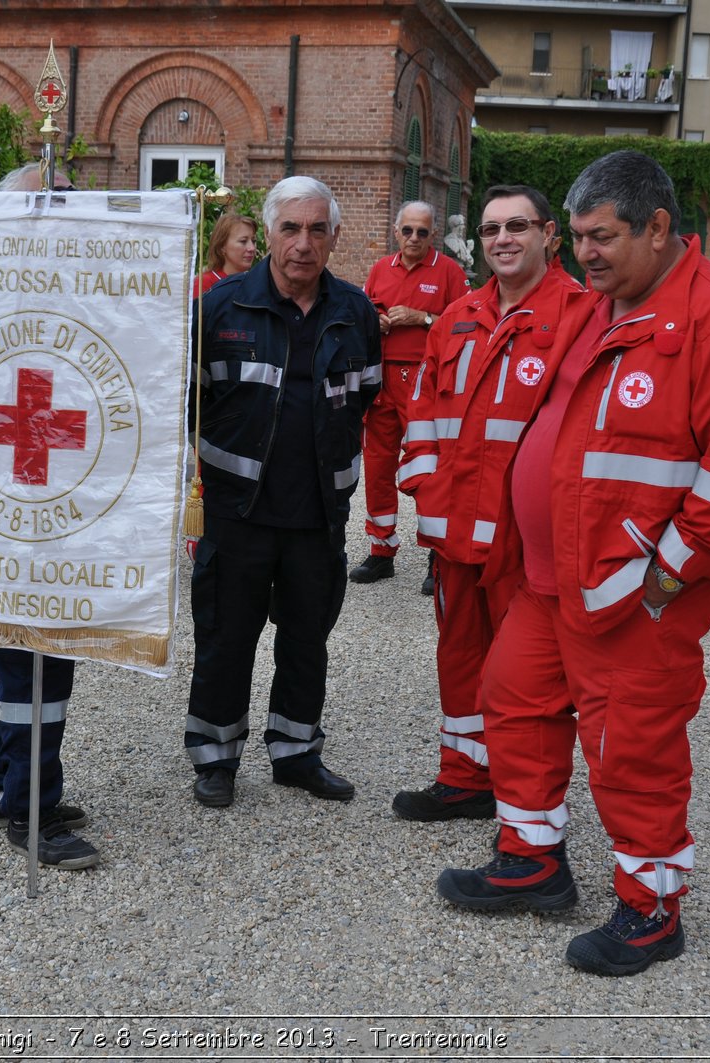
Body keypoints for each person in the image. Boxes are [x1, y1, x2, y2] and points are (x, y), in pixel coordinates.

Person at [434, 150, 710, 976]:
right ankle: (532, 859)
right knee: (512, 700)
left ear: (658, 228)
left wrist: (666, 573)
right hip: (553, 579)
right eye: (581, 237)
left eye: (603, 237)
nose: (585, 253)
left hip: (634, 592)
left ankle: (651, 907)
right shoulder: (606, 303)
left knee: (633, 748)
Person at [184, 175, 382, 808]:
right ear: (268, 233)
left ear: (334, 237)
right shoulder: (221, 307)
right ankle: (215, 757)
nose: (303, 243)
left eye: (316, 229)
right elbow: (187, 401)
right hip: (236, 510)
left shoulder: (355, 313)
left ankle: (296, 752)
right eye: (290, 228)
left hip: (320, 510)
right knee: (226, 638)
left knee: (307, 639)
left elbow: (368, 398)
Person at [391, 184, 584, 823]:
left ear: (549, 235)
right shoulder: (458, 317)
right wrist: (424, 486)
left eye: (517, 227)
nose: (502, 239)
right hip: (453, 532)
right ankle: (464, 776)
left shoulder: (581, 319)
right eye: (491, 228)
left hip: (523, 540)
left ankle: (521, 797)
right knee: (460, 656)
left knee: (523, 678)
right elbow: (421, 409)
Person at [0, 161, 99, 871]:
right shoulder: (13, 296)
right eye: (46, 212)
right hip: (19, 496)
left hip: (41, 487)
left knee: (9, 645)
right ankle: (30, 805)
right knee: (34, 651)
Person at [353, 201, 469, 589]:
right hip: (383, 381)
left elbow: (467, 324)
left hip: (426, 382)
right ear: (396, 232)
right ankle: (381, 550)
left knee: (430, 470)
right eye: (408, 231)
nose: (414, 238)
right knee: (378, 468)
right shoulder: (380, 269)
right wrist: (377, 322)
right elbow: (364, 311)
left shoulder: (449, 271)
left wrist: (423, 319)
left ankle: (438, 556)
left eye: (422, 232)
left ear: (432, 235)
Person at [195, 212, 258, 295]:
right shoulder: (204, 284)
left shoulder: (255, 283)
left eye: (253, 241)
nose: (252, 248)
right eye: (243, 241)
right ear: (222, 246)